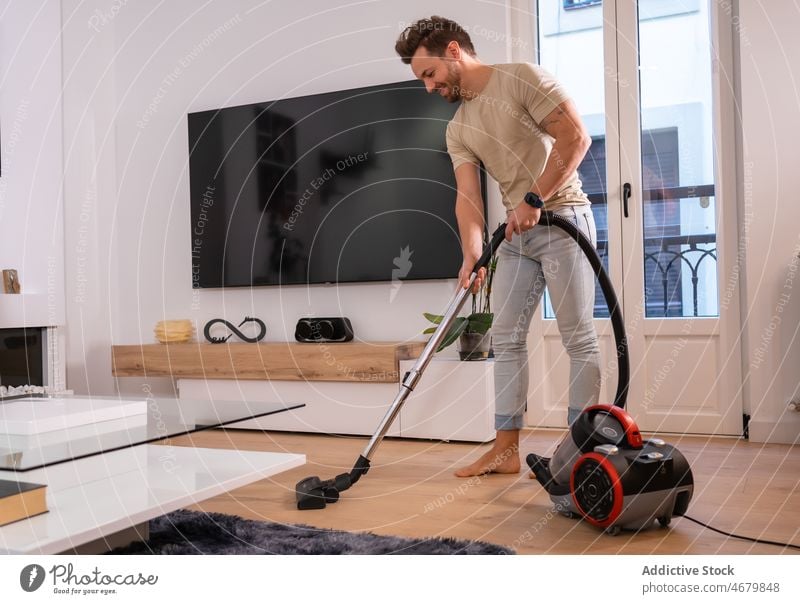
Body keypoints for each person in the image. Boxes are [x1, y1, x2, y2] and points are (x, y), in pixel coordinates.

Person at [395, 16, 601, 477]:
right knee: (505, 340)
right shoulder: (459, 128)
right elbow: (467, 198)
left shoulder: (521, 79)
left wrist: (534, 198)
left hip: (563, 217)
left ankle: (582, 454)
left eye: (429, 75)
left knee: (578, 338)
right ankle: (506, 452)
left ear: (453, 51)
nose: (428, 88)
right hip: (516, 236)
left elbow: (575, 137)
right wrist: (471, 252)